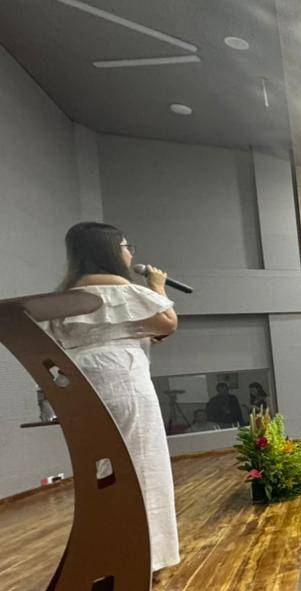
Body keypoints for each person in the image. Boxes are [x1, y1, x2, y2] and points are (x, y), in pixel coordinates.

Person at [46, 221, 180, 571]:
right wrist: (157, 285)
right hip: (123, 381)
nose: (130, 254)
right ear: (110, 251)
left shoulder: (65, 296)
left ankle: (111, 554)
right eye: (125, 246)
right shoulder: (118, 287)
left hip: (84, 386)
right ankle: (146, 560)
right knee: (143, 467)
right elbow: (167, 322)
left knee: (105, 472)